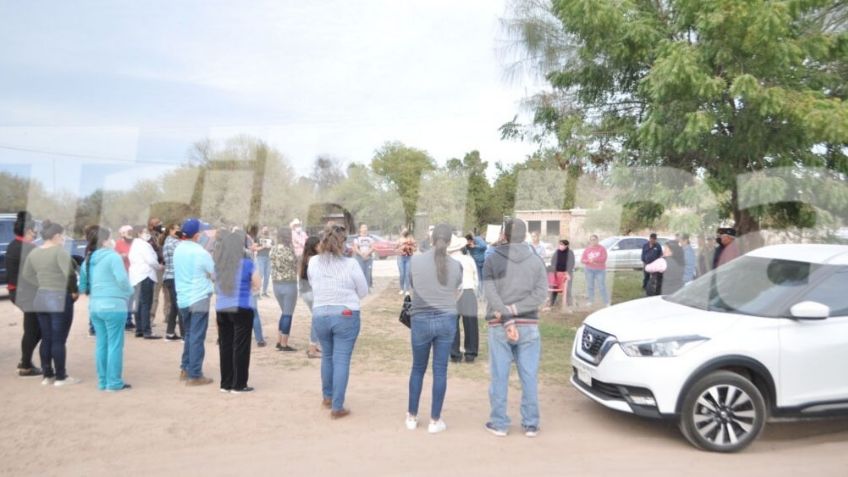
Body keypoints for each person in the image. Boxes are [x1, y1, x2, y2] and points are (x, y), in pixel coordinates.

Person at [482, 219, 547, 438]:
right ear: (525, 235)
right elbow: (540, 295)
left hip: (500, 324)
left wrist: (507, 314)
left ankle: (499, 423)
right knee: (529, 374)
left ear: (504, 235)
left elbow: (490, 293)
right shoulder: (536, 261)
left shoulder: (492, 259)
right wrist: (517, 309)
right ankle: (531, 424)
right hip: (528, 324)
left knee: (499, 375)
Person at [405, 224, 462, 433]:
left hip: (420, 319)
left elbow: (412, 287)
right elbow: (456, 291)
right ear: (449, 242)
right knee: (440, 371)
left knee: (417, 368)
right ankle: (435, 420)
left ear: (431, 239)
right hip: (446, 319)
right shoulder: (456, 265)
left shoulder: (416, 261)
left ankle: (411, 416)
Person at [309, 224, 368, 419]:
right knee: (341, 359)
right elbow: (363, 291)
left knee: (327, 356)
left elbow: (313, 284)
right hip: (345, 313)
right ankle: (337, 406)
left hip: (320, 313)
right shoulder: (351, 264)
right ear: (343, 243)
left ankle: (327, 397)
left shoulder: (313, 262)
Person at [22, 222, 81, 386]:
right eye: (62, 235)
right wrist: (74, 291)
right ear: (56, 236)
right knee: (59, 339)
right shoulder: (59, 252)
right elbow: (69, 273)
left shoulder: (34, 252)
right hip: (59, 296)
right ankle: (61, 376)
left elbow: (27, 275)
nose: (63, 239)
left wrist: (41, 282)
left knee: (46, 338)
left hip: (41, 296)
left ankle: (47, 375)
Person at [79, 226, 134, 391]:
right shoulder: (113, 257)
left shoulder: (87, 260)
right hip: (114, 305)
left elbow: (83, 287)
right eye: (110, 238)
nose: (112, 241)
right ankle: (114, 382)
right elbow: (123, 280)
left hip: (95, 306)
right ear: (104, 241)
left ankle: (103, 381)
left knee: (101, 344)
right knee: (115, 344)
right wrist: (129, 292)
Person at [214, 230, 259, 393]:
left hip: (222, 307)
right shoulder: (247, 263)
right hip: (241, 307)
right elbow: (257, 284)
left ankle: (225, 383)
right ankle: (239, 384)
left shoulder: (219, 264)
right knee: (240, 346)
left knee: (225, 345)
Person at [174, 218, 215, 386]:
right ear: (197, 235)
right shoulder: (200, 252)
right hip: (198, 297)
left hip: (183, 297)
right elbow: (214, 273)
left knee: (190, 334)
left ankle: (185, 368)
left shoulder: (178, 249)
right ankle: (195, 374)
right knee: (197, 336)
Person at [6, 211, 42, 377]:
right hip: (27, 294)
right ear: (28, 231)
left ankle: (25, 362)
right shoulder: (30, 248)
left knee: (33, 328)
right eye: (34, 230)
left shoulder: (13, 244)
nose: (35, 233)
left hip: (16, 292)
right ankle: (25, 365)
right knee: (34, 329)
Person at [128, 225, 163, 339]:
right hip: (145, 275)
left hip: (136, 276)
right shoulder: (144, 245)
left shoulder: (134, 244)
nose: (147, 234)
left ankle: (139, 329)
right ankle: (147, 331)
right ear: (138, 233)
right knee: (146, 304)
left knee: (138, 304)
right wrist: (159, 267)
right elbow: (151, 260)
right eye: (145, 232)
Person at [449, 237, 478, 364]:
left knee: (452, 324)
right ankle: (470, 353)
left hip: (452, 293)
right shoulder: (469, 259)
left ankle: (455, 353)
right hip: (468, 291)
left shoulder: (447, 261)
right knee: (470, 324)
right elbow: (476, 278)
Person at [270, 227, 299, 352]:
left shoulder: (273, 249)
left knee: (284, 313)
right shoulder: (289, 251)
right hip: (289, 284)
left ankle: (279, 340)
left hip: (276, 284)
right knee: (288, 314)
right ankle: (283, 344)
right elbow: (296, 265)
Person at [299, 236, 323, 359]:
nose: (321, 247)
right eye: (319, 245)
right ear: (314, 246)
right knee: (317, 320)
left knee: (316, 318)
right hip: (313, 293)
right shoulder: (315, 259)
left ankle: (315, 345)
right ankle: (312, 349)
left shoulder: (304, 258)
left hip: (305, 293)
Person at [161, 223, 184, 341]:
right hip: (175, 277)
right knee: (180, 304)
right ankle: (184, 334)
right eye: (177, 229)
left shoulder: (167, 242)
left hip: (169, 276)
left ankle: (170, 333)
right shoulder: (174, 243)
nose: (179, 231)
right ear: (170, 230)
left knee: (175, 306)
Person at [114, 225, 135, 330]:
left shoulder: (135, 243)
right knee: (125, 298)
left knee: (131, 298)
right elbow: (115, 257)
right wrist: (122, 256)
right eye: (127, 232)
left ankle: (129, 319)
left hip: (134, 272)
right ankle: (124, 320)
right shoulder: (118, 243)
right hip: (124, 272)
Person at [581, 234, 610, 307]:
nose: (593, 241)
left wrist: (593, 259)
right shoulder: (587, 249)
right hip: (589, 270)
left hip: (600, 270)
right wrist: (588, 261)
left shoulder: (602, 248)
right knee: (590, 286)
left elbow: (603, 259)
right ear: (590, 241)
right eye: (591, 240)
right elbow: (582, 260)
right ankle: (591, 301)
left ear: (597, 240)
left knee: (601, 286)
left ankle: (606, 302)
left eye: (594, 239)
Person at [147, 217, 166, 327]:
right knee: (155, 295)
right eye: (157, 223)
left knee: (168, 293)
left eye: (160, 222)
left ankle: (168, 316)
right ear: (151, 226)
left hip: (166, 266)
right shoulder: (149, 238)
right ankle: (150, 318)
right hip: (157, 267)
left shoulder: (164, 234)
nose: (160, 224)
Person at [547, 240, 574, 308]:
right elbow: (553, 261)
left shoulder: (570, 253)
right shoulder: (557, 252)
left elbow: (571, 263)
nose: (561, 246)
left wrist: (567, 271)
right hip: (557, 274)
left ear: (566, 245)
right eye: (560, 244)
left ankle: (569, 304)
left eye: (562, 245)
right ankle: (551, 303)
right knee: (554, 289)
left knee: (567, 289)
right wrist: (554, 270)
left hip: (566, 273)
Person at [352, 224, 374, 288]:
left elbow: (372, 247)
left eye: (365, 227)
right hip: (359, 257)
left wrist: (367, 254)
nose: (364, 229)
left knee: (368, 273)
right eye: (363, 227)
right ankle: (361, 287)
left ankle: (367, 288)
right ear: (360, 229)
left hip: (368, 257)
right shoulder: (357, 238)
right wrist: (362, 255)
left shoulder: (370, 238)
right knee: (361, 273)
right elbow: (356, 248)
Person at [396, 229, 416, 295]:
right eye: (403, 231)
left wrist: (411, 249)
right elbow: (395, 249)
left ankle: (407, 289)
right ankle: (401, 288)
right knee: (402, 274)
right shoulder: (399, 240)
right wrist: (400, 250)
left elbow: (415, 248)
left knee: (407, 274)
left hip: (409, 258)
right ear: (401, 232)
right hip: (400, 258)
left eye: (406, 231)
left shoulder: (411, 239)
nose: (405, 232)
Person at [255, 225, 273, 297]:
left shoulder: (270, 239)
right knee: (260, 274)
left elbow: (273, 247)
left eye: (267, 229)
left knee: (267, 275)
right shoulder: (258, 238)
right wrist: (262, 247)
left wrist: (270, 246)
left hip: (268, 258)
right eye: (264, 229)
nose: (266, 230)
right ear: (262, 230)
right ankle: (257, 292)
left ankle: (264, 292)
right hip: (260, 257)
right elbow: (255, 248)